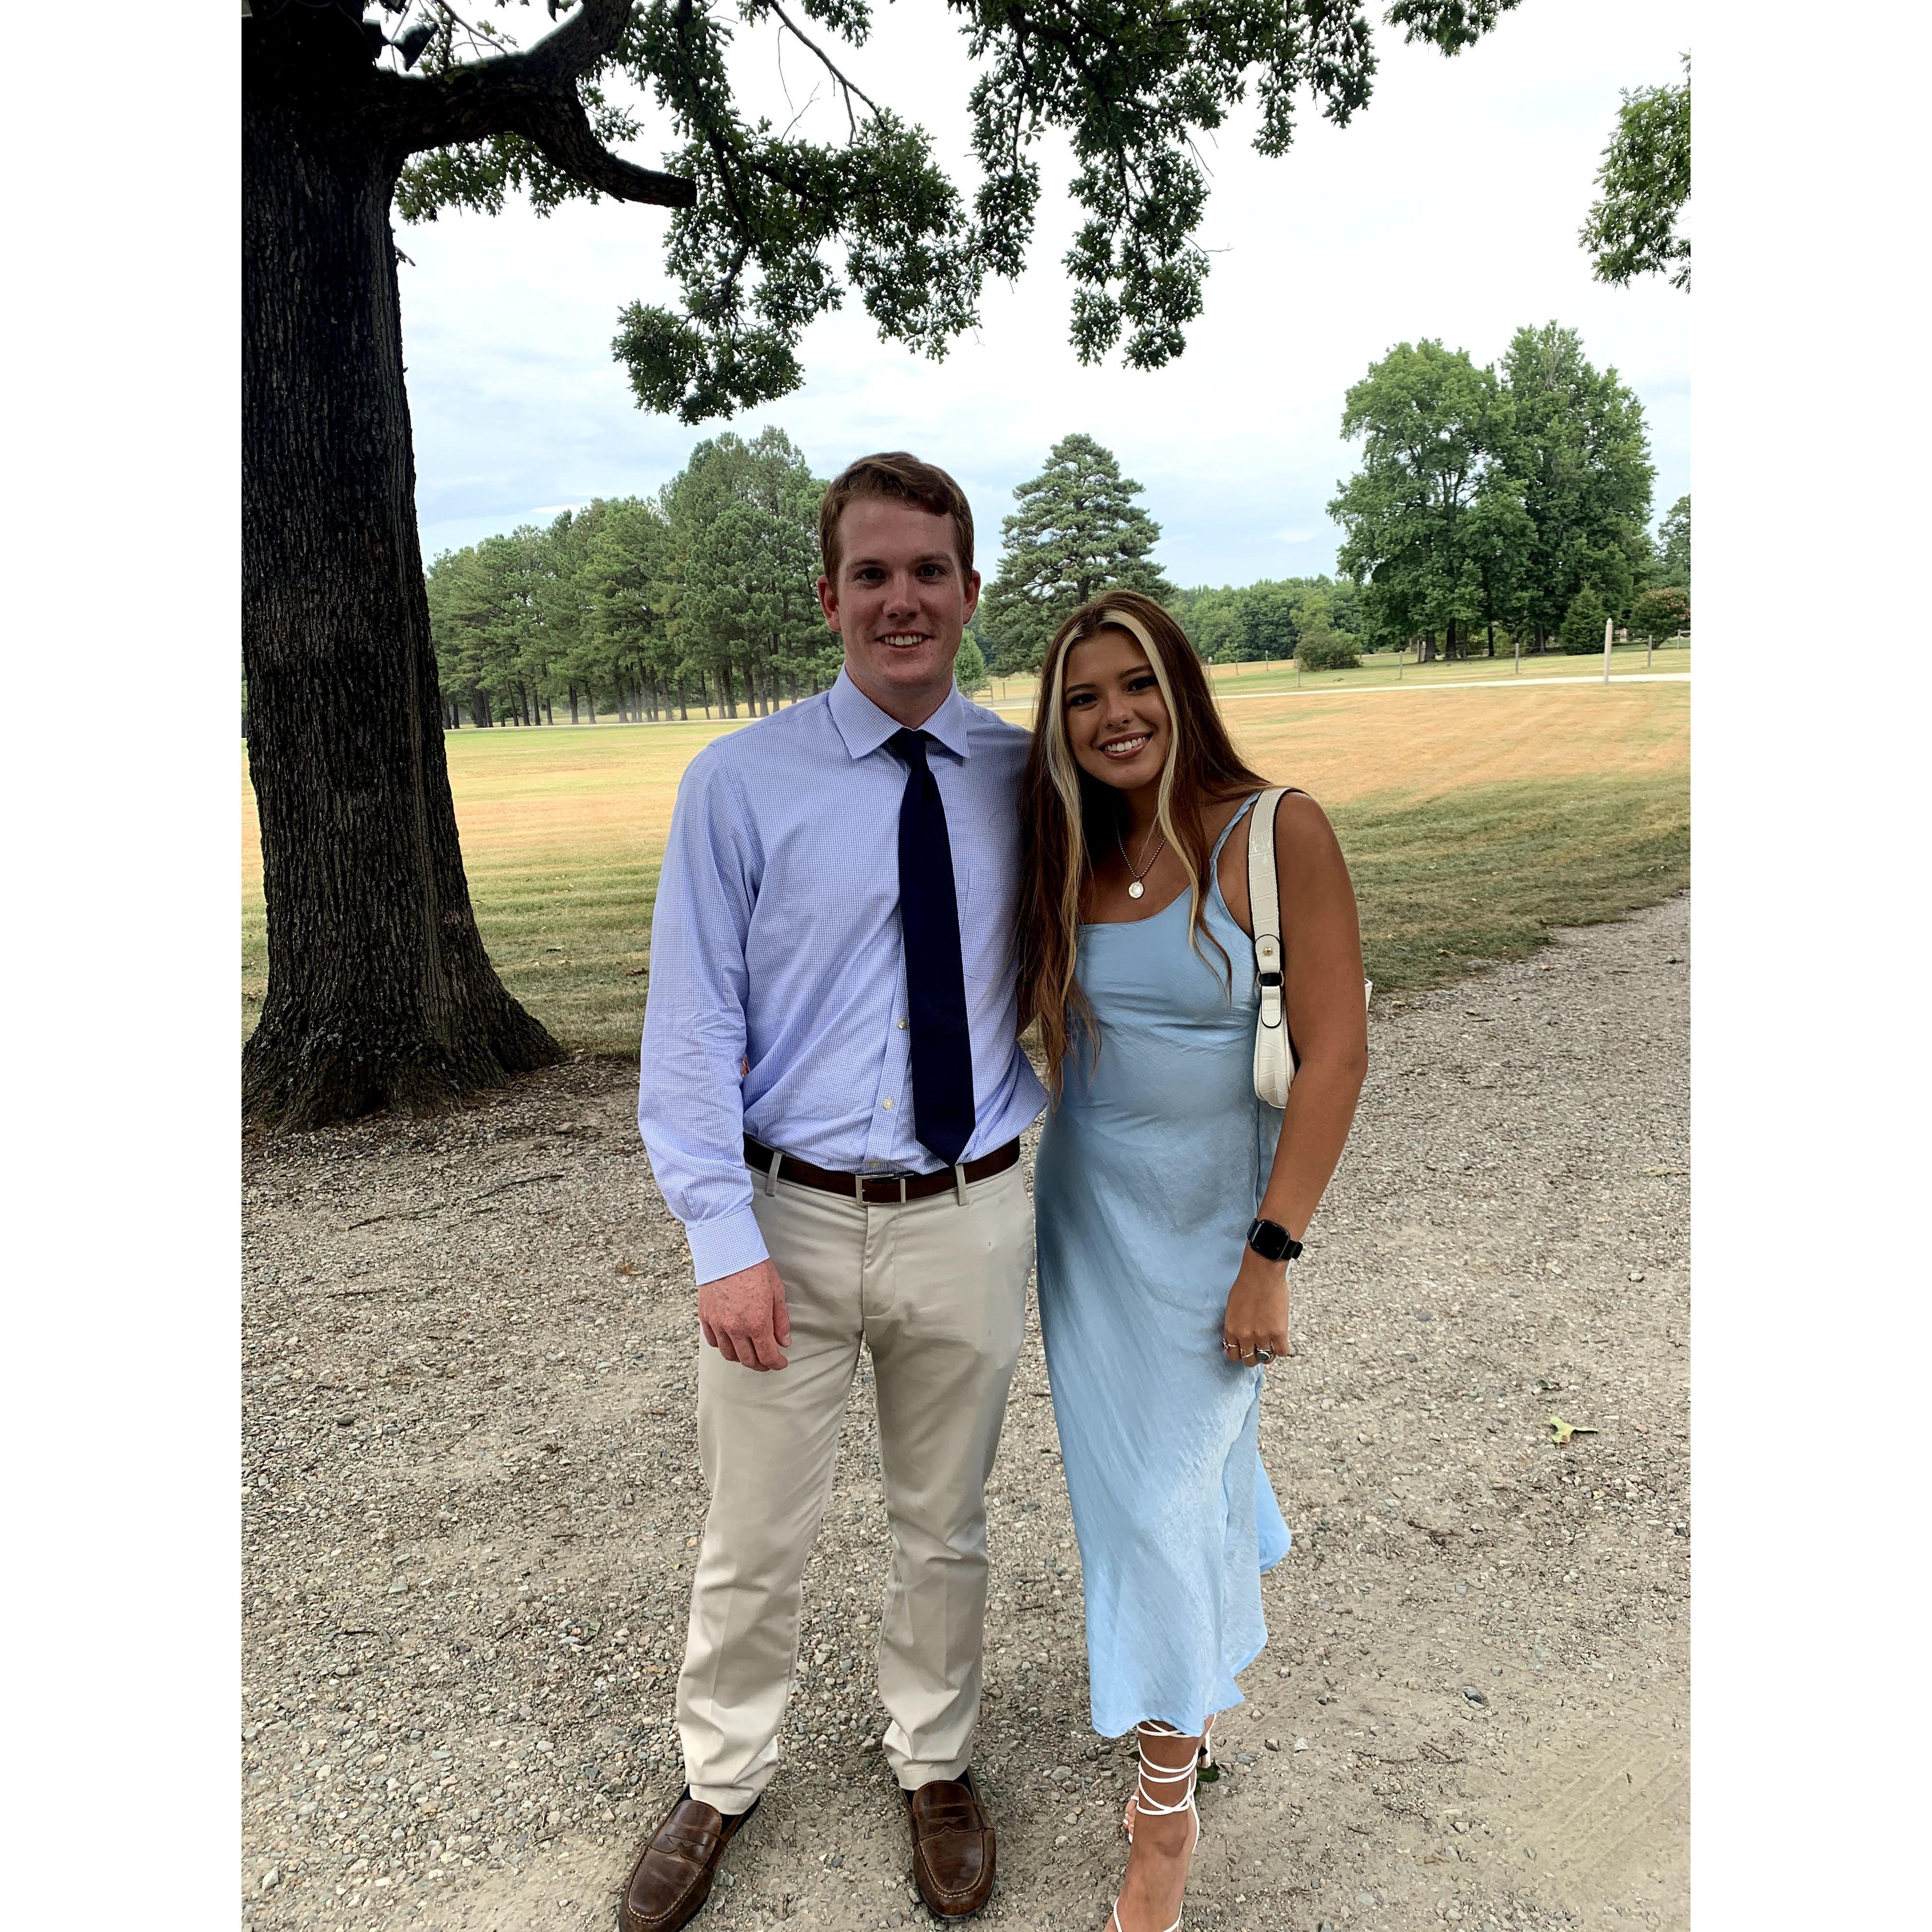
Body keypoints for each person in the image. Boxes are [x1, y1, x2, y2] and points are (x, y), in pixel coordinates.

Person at [625, 453, 1045, 1932]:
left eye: (928, 571)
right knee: (753, 1531)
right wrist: (719, 1239)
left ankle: (935, 1759)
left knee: (946, 1520)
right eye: (872, 574)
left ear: (971, 591)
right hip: (787, 1218)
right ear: (829, 598)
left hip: (970, 1210)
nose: (901, 600)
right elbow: (691, 1027)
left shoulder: (1027, 780)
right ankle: (722, 1775)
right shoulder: (739, 785)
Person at [1015, 592, 1369, 1932]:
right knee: (1142, 1496)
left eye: (1136, 686)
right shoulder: (1069, 850)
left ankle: (1162, 1818)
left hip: (1219, 1230)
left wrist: (1272, 1253)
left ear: (1182, 691)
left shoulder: (1275, 832)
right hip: (1089, 1226)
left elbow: (1335, 1055)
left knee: (1166, 1497)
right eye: (1084, 698)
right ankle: (1187, 1707)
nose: (1113, 717)